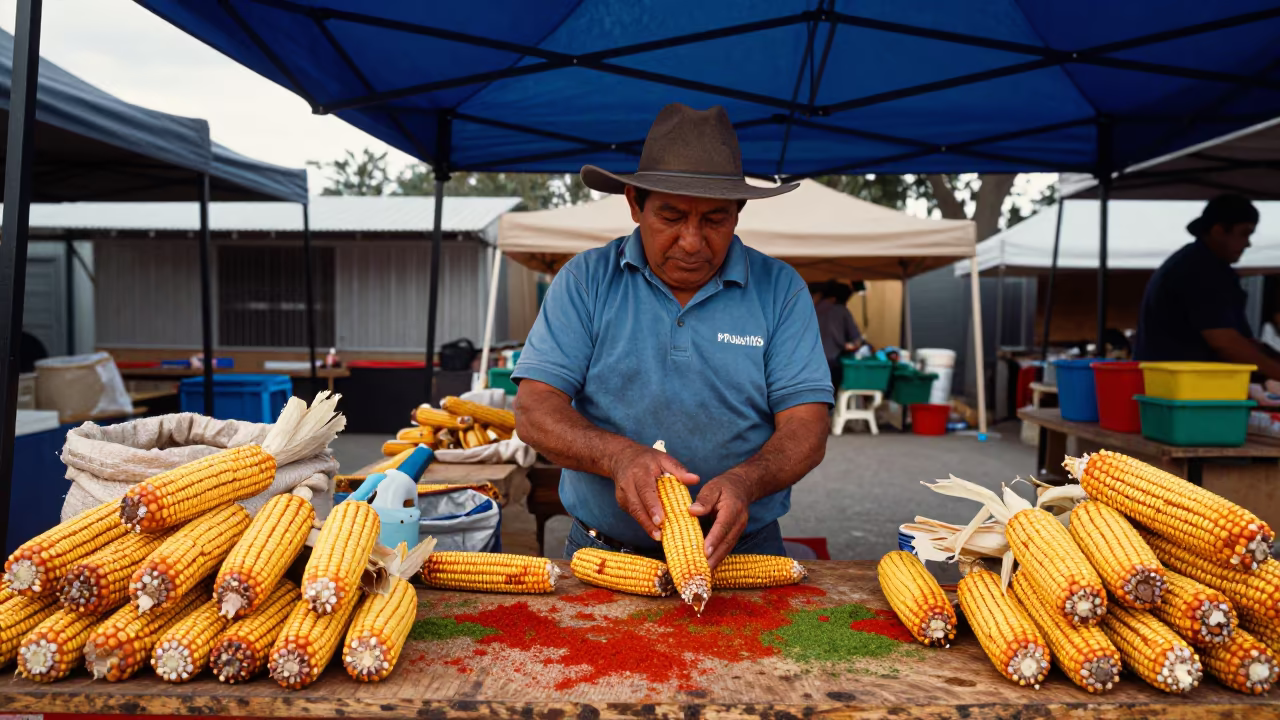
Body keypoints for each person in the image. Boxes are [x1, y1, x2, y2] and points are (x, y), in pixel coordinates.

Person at [512, 103, 832, 568]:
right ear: (634, 204)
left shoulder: (780, 290)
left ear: (738, 213)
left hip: (744, 553)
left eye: (715, 219)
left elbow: (808, 426)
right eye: (672, 216)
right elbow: (534, 409)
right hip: (605, 554)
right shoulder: (585, 280)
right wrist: (618, 456)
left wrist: (747, 480)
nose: (691, 241)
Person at [1135, 194, 1280, 380]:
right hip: (1183, 389)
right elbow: (1225, 343)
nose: (1248, 243)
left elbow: (1238, 341)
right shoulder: (1200, 270)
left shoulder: (1200, 264)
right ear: (1218, 231)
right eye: (1244, 233)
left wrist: (1268, 355)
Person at [813, 280, 864, 395]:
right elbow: (856, 340)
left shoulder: (812, 309)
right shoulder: (842, 311)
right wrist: (851, 345)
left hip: (810, 362)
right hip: (832, 362)